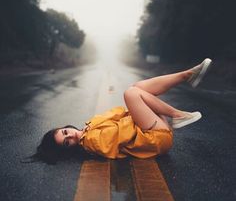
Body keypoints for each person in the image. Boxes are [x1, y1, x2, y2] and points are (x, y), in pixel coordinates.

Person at [28, 58, 212, 164]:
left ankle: (187, 75)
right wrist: (137, 110)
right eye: (67, 143)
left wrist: (139, 109)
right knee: (131, 94)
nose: (71, 136)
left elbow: (119, 116)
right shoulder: (91, 141)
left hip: (152, 132)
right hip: (155, 138)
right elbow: (125, 133)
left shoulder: (87, 131)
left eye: (65, 133)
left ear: (64, 127)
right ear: (69, 150)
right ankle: (177, 115)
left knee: (137, 87)